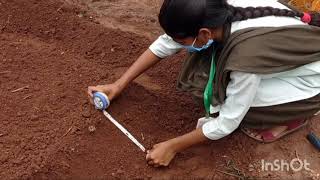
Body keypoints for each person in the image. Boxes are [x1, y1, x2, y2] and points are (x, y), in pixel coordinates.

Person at [88, 0, 320, 167]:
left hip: (310, 81)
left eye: (182, 40)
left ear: (204, 34)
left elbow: (227, 122)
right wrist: (118, 84)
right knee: (214, 82)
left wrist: (173, 146)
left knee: (230, 103)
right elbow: (165, 43)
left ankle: (292, 116)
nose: (178, 44)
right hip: (288, 56)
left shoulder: (245, 59)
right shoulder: (216, 9)